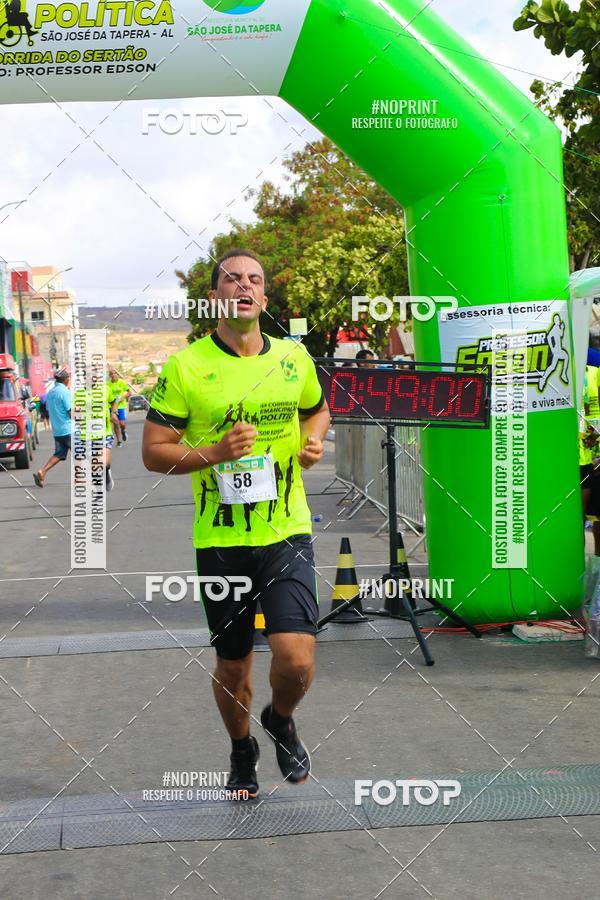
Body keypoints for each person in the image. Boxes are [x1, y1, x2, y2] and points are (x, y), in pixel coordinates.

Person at [142, 249, 330, 799]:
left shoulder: (294, 358)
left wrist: (314, 438)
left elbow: (317, 407)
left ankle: (280, 716)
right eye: (231, 279)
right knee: (234, 666)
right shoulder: (186, 367)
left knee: (296, 659)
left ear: (264, 298)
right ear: (215, 298)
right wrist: (216, 451)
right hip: (223, 541)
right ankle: (242, 748)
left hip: (286, 531)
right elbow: (154, 452)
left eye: (253, 279)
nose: (243, 285)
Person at [72, 383, 115, 491]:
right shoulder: (79, 393)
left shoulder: (106, 389)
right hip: (87, 434)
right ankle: (98, 491)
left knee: (104, 462)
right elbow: (73, 412)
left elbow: (113, 402)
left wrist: (114, 413)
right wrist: (76, 413)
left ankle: (106, 473)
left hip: (105, 432)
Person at [33, 368, 71, 488]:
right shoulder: (64, 392)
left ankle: (42, 471)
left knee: (59, 454)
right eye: (68, 378)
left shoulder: (50, 393)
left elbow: (49, 410)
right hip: (69, 429)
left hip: (57, 431)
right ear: (65, 380)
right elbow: (70, 412)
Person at [107, 368, 130, 445]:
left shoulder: (122, 382)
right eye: (112, 374)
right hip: (112, 406)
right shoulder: (107, 384)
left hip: (121, 406)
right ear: (110, 376)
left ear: (117, 375)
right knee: (116, 423)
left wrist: (123, 397)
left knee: (122, 424)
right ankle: (119, 441)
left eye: (115, 373)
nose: (113, 375)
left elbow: (129, 392)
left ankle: (123, 431)